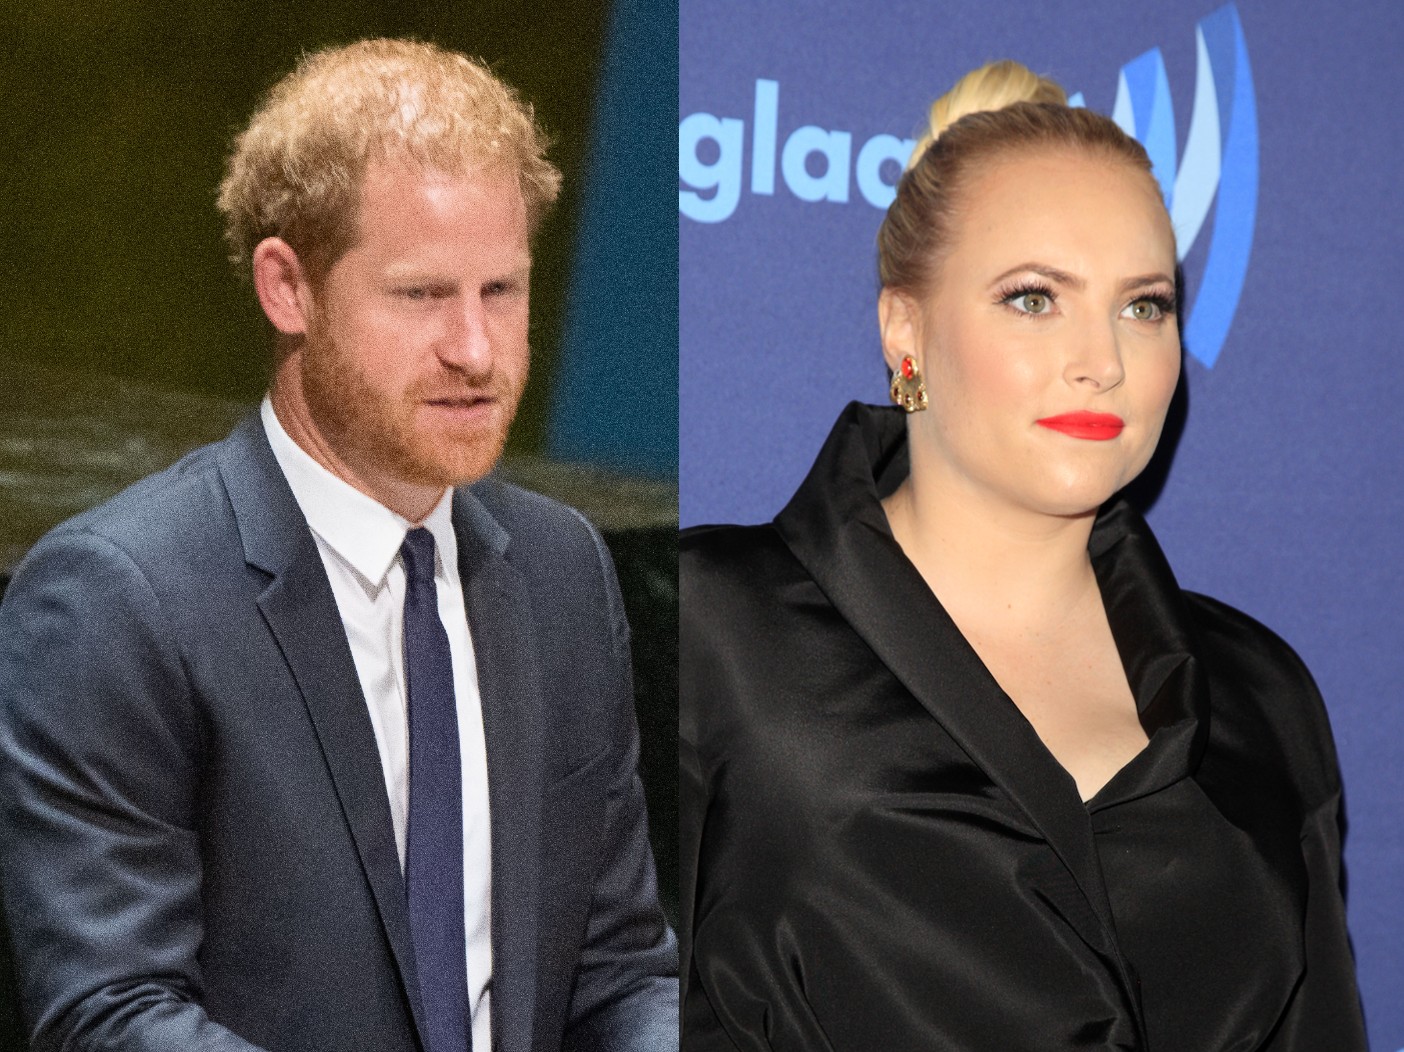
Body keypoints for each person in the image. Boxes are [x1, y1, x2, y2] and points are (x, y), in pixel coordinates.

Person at [0, 39, 677, 1052]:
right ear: (288, 287)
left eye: (502, 290)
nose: (477, 349)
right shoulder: (117, 599)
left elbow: (621, 967)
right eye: (421, 294)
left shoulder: (562, 573)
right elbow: (115, 1014)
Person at [679, 60, 1366, 1051]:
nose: (1103, 357)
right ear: (906, 336)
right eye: (1035, 297)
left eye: (1146, 304)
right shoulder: (714, 627)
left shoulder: (1263, 692)